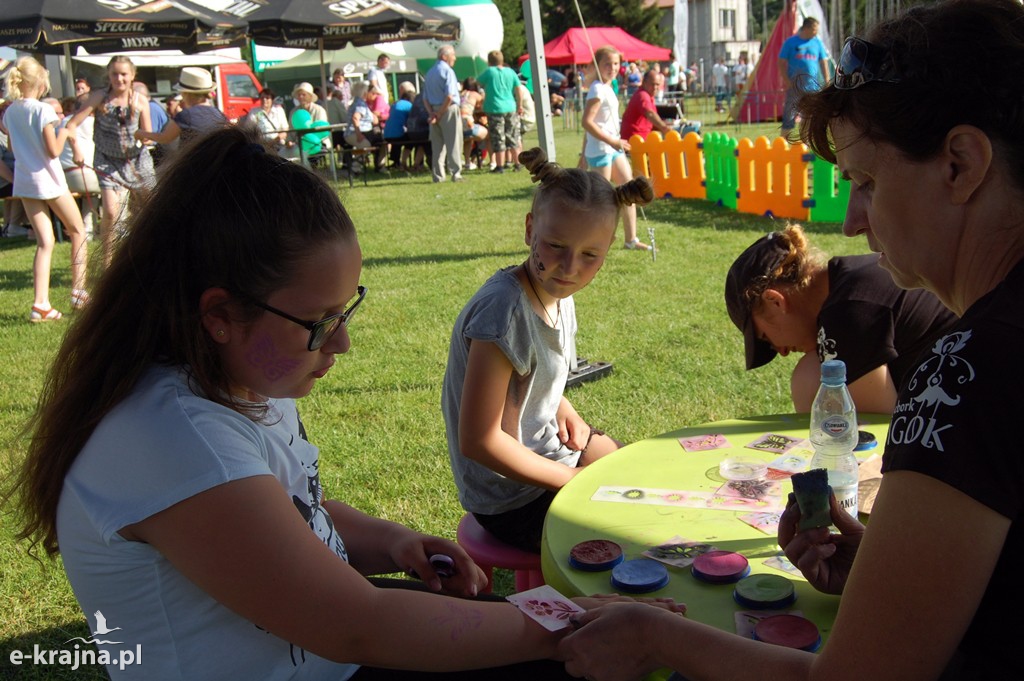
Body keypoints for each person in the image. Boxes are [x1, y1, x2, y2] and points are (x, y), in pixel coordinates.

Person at [3, 123, 683, 680]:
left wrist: (390, 538)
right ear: (220, 313)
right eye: (322, 322)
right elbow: (358, 622)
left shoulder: (243, 381)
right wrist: (567, 624)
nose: (345, 342)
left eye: (346, 309)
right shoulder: (170, 439)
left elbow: (291, 509)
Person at [560, 2, 1024, 679]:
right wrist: (887, 572)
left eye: (866, 181)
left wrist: (656, 636)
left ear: (959, 163)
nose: (856, 219)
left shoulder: (968, 373)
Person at [442, 147, 654, 554]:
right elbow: (479, 440)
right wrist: (575, 483)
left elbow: (530, 375)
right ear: (529, 230)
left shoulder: (558, 296)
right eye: (556, 246)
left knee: (635, 477)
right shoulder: (503, 312)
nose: (570, 266)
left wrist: (562, 407)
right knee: (628, 531)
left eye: (590, 255)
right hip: (508, 498)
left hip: (544, 452)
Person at [724, 224, 958, 413]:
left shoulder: (846, 313)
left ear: (775, 301)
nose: (781, 351)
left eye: (766, 338)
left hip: (974, 407)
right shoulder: (850, 277)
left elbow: (878, 432)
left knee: (809, 377)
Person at [2, 57, 89, 320]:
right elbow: (53, 151)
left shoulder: (11, 112)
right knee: (78, 231)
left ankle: (40, 303)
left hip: (25, 181)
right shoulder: (43, 110)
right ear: (41, 82)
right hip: (49, 180)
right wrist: (66, 133)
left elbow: (12, 147)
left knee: (45, 242)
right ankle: (78, 291)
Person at [67, 55, 153, 267]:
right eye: (115, 74)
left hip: (134, 159)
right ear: (109, 75)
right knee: (111, 210)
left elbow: (148, 134)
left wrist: (143, 134)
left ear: (132, 75)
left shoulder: (140, 100)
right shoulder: (99, 98)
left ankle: (147, 254)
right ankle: (108, 262)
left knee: (150, 207)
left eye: (124, 74)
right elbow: (71, 124)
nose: (119, 79)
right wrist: (76, 148)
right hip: (107, 160)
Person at [582, 46, 651, 251]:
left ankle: (631, 240)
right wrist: (612, 141)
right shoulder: (595, 89)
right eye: (607, 64)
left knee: (628, 190)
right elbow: (587, 122)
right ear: (597, 65)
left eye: (615, 64)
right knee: (601, 200)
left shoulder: (608, 86)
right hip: (602, 150)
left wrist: (615, 142)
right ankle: (591, 241)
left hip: (613, 148)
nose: (612, 68)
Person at [135, 67, 228, 150]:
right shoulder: (218, 113)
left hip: (193, 163)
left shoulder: (186, 116)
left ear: (185, 93)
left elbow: (165, 138)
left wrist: (142, 133)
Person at [778, 16, 829, 136]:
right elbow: (780, 62)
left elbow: (823, 62)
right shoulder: (790, 42)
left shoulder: (817, 43)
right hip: (795, 86)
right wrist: (786, 80)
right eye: (814, 29)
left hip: (812, 87)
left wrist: (826, 79)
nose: (816, 32)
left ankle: (806, 145)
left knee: (810, 117)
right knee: (789, 115)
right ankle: (783, 142)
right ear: (806, 28)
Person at [59, 93, 100, 241]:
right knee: (118, 187)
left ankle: (88, 228)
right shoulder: (93, 122)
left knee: (93, 192)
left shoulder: (62, 122)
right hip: (84, 173)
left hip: (63, 176)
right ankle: (119, 228)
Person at [424, 45, 463, 183]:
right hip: (448, 110)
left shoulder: (429, 72)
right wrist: (440, 113)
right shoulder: (448, 71)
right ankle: (456, 173)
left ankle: (438, 175)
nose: (455, 58)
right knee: (453, 142)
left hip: (433, 110)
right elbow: (450, 96)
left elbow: (425, 98)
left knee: (437, 145)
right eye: (452, 55)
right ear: (444, 56)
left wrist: (432, 114)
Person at [478, 50, 521, 174]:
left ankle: (500, 166)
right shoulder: (510, 72)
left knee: (498, 137)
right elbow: (518, 89)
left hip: (495, 108)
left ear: (489, 62)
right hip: (510, 107)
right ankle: (517, 163)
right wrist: (519, 105)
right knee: (512, 136)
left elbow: (478, 82)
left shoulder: (489, 72)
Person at [620, 69, 673, 142]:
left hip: (641, 140)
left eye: (657, 84)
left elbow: (650, 123)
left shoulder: (649, 96)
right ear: (644, 83)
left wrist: (665, 124)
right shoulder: (642, 95)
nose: (655, 87)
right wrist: (664, 128)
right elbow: (650, 114)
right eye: (652, 84)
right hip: (635, 141)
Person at [344, 80, 383, 168]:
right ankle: (355, 165)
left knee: (376, 141)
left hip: (357, 132)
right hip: (354, 133)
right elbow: (355, 118)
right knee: (366, 145)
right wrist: (358, 134)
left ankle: (356, 165)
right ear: (364, 92)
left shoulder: (358, 103)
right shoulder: (360, 104)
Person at [382, 81, 416, 169]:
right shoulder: (410, 106)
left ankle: (395, 160)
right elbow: (410, 121)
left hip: (386, 134)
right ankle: (404, 162)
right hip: (397, 135)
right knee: (411, 140)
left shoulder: (395, 103)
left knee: (396, 139)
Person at [246, 88, 291, 153]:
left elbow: (285, 130)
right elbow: (249, 130)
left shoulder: (279, 110)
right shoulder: (254, 112)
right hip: (261, 145)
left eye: (267, 98)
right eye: (262, 98)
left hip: (279, 145)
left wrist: (274, 141)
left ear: (272, 100)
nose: (264, 100)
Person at [458, 78, 487, 171]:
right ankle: (493, 162)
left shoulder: (460, 95)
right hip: (468, 124)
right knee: (489, 134)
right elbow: (484, 105)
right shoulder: (474, 94)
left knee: (468, 140)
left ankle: (467, 163)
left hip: (458, 125)